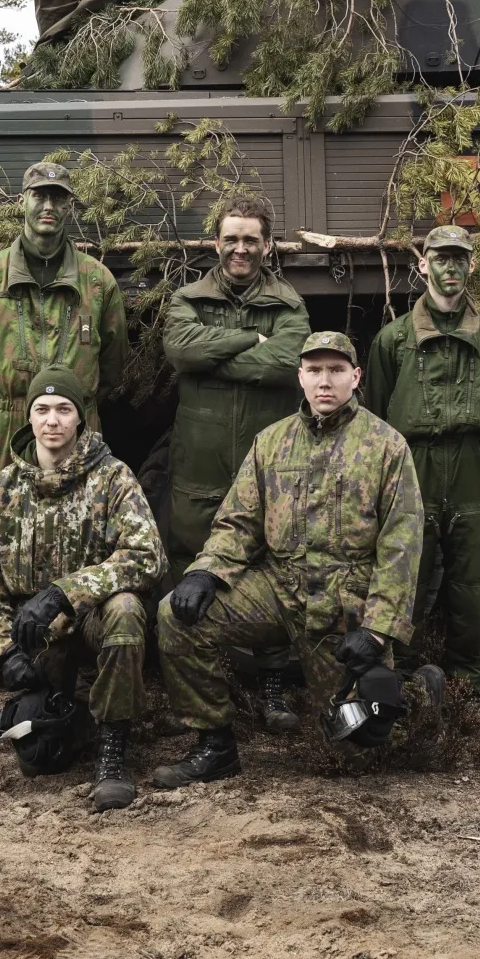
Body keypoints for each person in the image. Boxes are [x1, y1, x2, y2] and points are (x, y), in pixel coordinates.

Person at [153, 331, 441, 787]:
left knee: (355, 753)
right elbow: (239, 521)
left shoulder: (387, 447)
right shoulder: (271, 443)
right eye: (315, 371)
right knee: (177, 615)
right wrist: (206, 572)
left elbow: (401, 547)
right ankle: (215, 746)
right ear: (300, 377)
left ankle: (417, 691)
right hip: (278, 585)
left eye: (336, 370)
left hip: (343, 602)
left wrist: (376, 628)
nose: (325, 382)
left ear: (356, 377)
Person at [0, 159, 128, 752]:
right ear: (21, 202)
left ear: (70, 207)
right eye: (39, 196)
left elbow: (116, 364)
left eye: (60, 198)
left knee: (83, 550)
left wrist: (65, 413)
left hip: (76, 425)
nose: (49, 207)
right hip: (2, 422)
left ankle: (75, 691)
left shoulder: (97, 283)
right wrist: (14, 410)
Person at [0, 367, 163, 812]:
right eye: (42, 410)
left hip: (93, 621)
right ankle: (77, 717)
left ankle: (113, 754)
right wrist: (5, 651)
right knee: (40, 759)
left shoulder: (112, 478)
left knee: (125, 609)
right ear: (28, 419)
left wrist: (66, 592)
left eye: (64, 410)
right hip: (39, 642)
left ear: (80, 419)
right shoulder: (2, 489)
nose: (52, 421)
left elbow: (148, 556)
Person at [160, 191, 311, 730]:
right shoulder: (187, 299)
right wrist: (250, 336)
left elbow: (285, 364)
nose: (240, 249)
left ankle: (272, 684)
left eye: (251, 239)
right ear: (216, 243)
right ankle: (197, 685)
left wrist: (215, 357)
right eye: (231, 239)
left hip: (265, 466)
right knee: (188, 560)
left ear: (267, 246)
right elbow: (181, 352)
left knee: (270, 564)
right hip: (199, 464)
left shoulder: (290, 306)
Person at [365, 225, 480, 689]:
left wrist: (477, 459)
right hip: (414, 473)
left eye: (458, 259)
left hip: (475, 475)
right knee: (405, 585)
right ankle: (407, 687)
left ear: (472, 266)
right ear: (422, 265)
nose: (449, 267)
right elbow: (376, 415)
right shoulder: (392, 341)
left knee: (475, 590)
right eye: (440, 259)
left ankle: (466, 688)